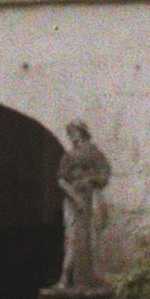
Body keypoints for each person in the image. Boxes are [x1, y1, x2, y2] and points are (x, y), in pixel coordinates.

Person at [57, 119, 111, 288]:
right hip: (72, 200)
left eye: (74, 131)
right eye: (70, 132)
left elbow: (105, 175)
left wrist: (91, 180)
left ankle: (94, 277)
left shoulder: (95, 153)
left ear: (82, 132)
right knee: (71, 237)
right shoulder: (69, 156)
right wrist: (74, 196)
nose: (72, 136)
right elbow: (61, 180)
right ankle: (65, 277)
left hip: (91, 197)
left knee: (93, 237)